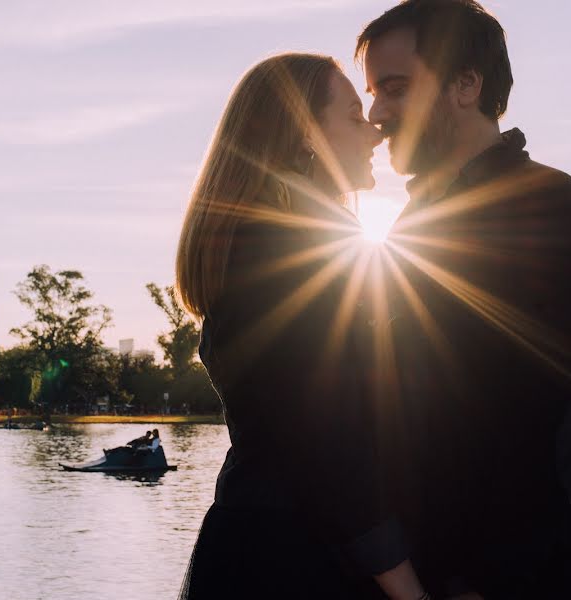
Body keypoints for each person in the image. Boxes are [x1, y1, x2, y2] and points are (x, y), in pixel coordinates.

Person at [356, 1, 571, 597]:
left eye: (394, 89)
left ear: (466, 84)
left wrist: (481, 581)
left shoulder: (545, 203)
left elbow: (540, 415)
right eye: (372, 93)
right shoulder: (413, 220)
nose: (376, 113)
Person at [177, 53, 430, 599]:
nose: (375, 133)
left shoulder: (272, 241)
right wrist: (408, 587)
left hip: (269, 545)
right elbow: (329, 438)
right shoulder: (290, 247)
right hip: (295, 560)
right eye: (354, 116)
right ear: (306, 136)